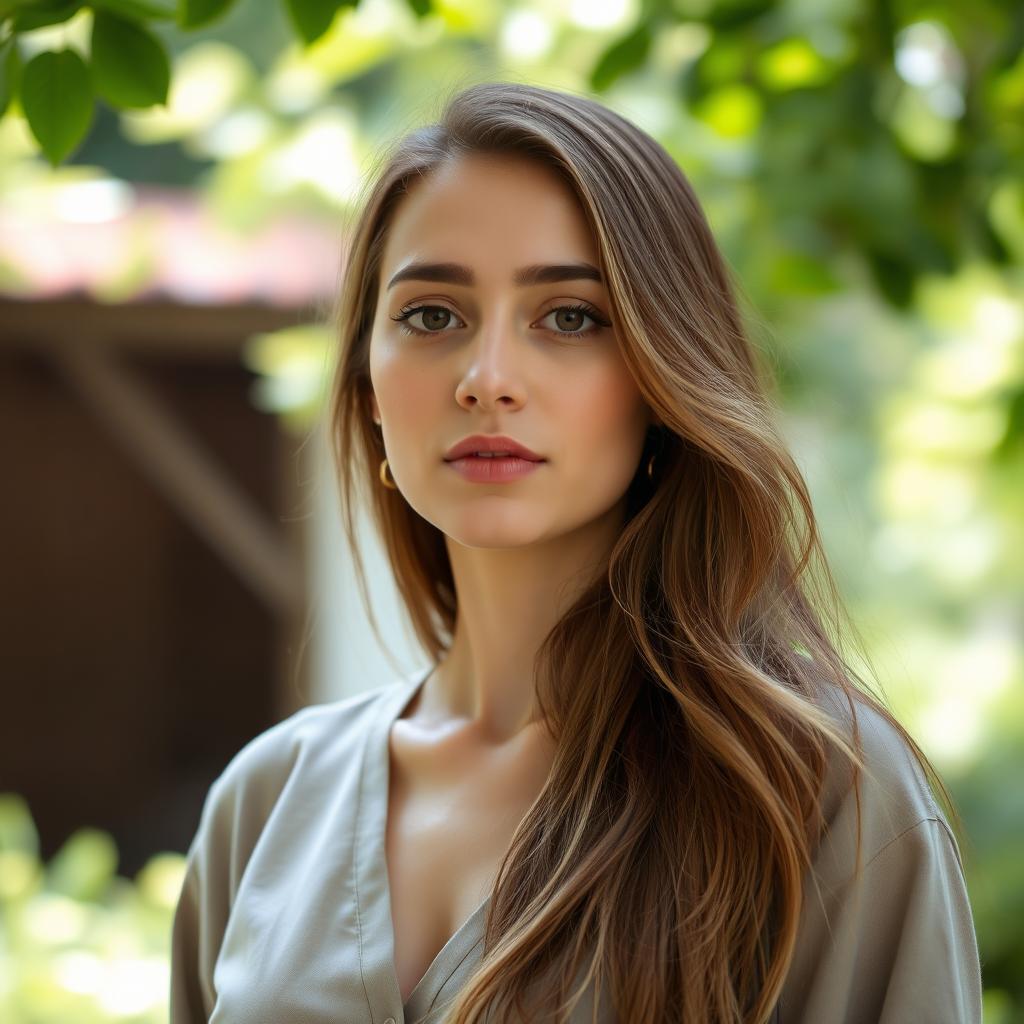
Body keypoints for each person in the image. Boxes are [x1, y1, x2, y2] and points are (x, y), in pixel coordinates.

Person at [169, 80, 984, 1023]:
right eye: (432, 315)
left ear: (662, 374)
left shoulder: (817, 789)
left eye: (569, 317)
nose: (488, 380)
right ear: (366, 385)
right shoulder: (266, 806)